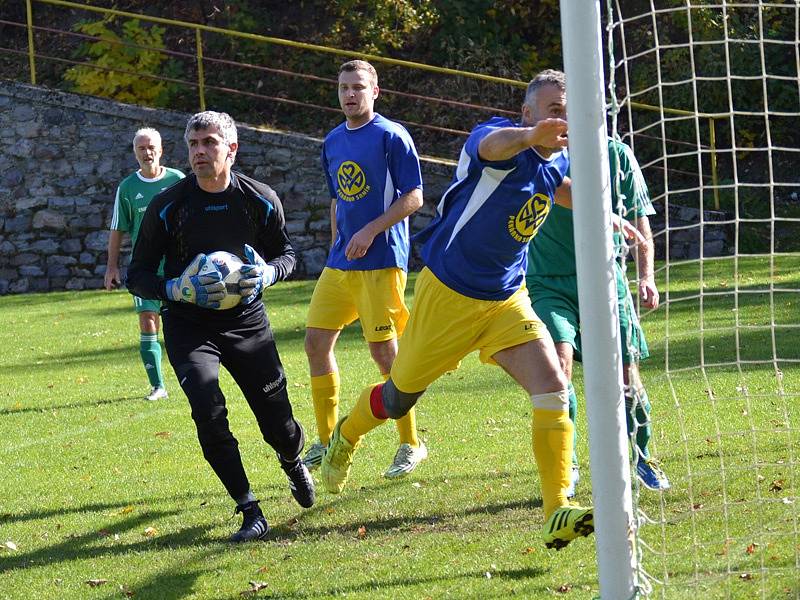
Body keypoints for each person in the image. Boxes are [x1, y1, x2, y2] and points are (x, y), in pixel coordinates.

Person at [321, 69, 595, 550]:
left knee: (553, 385)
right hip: (448, 295)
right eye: (553, 111)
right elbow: (491, 146)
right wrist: (531, 135)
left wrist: (604, 210)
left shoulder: (556, 160)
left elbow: (556, 185)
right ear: (528, 114)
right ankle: (346, 435)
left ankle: (557, 510)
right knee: (398, 396)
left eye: (568, 113)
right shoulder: (493, 138)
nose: (562, 121)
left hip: (507, 298)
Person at [126, 111, 315, 542]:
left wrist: (268, 274)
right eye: (193, 144)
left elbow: (286, 253)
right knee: (207, 411)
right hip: (189, 324)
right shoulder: (169, 205)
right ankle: (249, 509)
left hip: (248, 322)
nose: (199, 152)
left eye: (209, 143)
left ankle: (292, 461)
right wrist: (175, 288)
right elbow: (136, 273)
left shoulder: (258, 198)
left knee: (279, 426)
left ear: (231, 149)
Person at [302, 60, 428, 479]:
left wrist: (371, 231)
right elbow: (339, 197)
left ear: (375, 91)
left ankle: (411, 444)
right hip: (341, 263)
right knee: (316, 344)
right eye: (343, 88)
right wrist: (338, 239)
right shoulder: (333, 140)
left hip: (381, 259)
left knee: (385, 355)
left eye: (358, 87)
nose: (350, 94)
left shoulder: (392, 136)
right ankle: (324, 441)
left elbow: (414, 197)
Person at [526, 136, 671, 495]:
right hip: (548, 283)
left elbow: (639, 220)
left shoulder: (616, 154)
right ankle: (566, 464)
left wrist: (646, 276)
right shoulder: (531, 153)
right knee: (558, 369)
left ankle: (642, 456)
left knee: (625, 373)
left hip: (606, 280)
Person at [105, 128, 184, 401]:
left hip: (178, 265)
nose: (147, 153)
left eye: (151, 147)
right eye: (141, 148)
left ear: (161, 150)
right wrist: (112, 267)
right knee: (149, 322)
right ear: (134, 153)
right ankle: (158, 386)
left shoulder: (178, 180)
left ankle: (193, 376)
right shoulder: (127, 188)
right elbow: (118, 228)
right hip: (145, 268)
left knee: (184, 323)